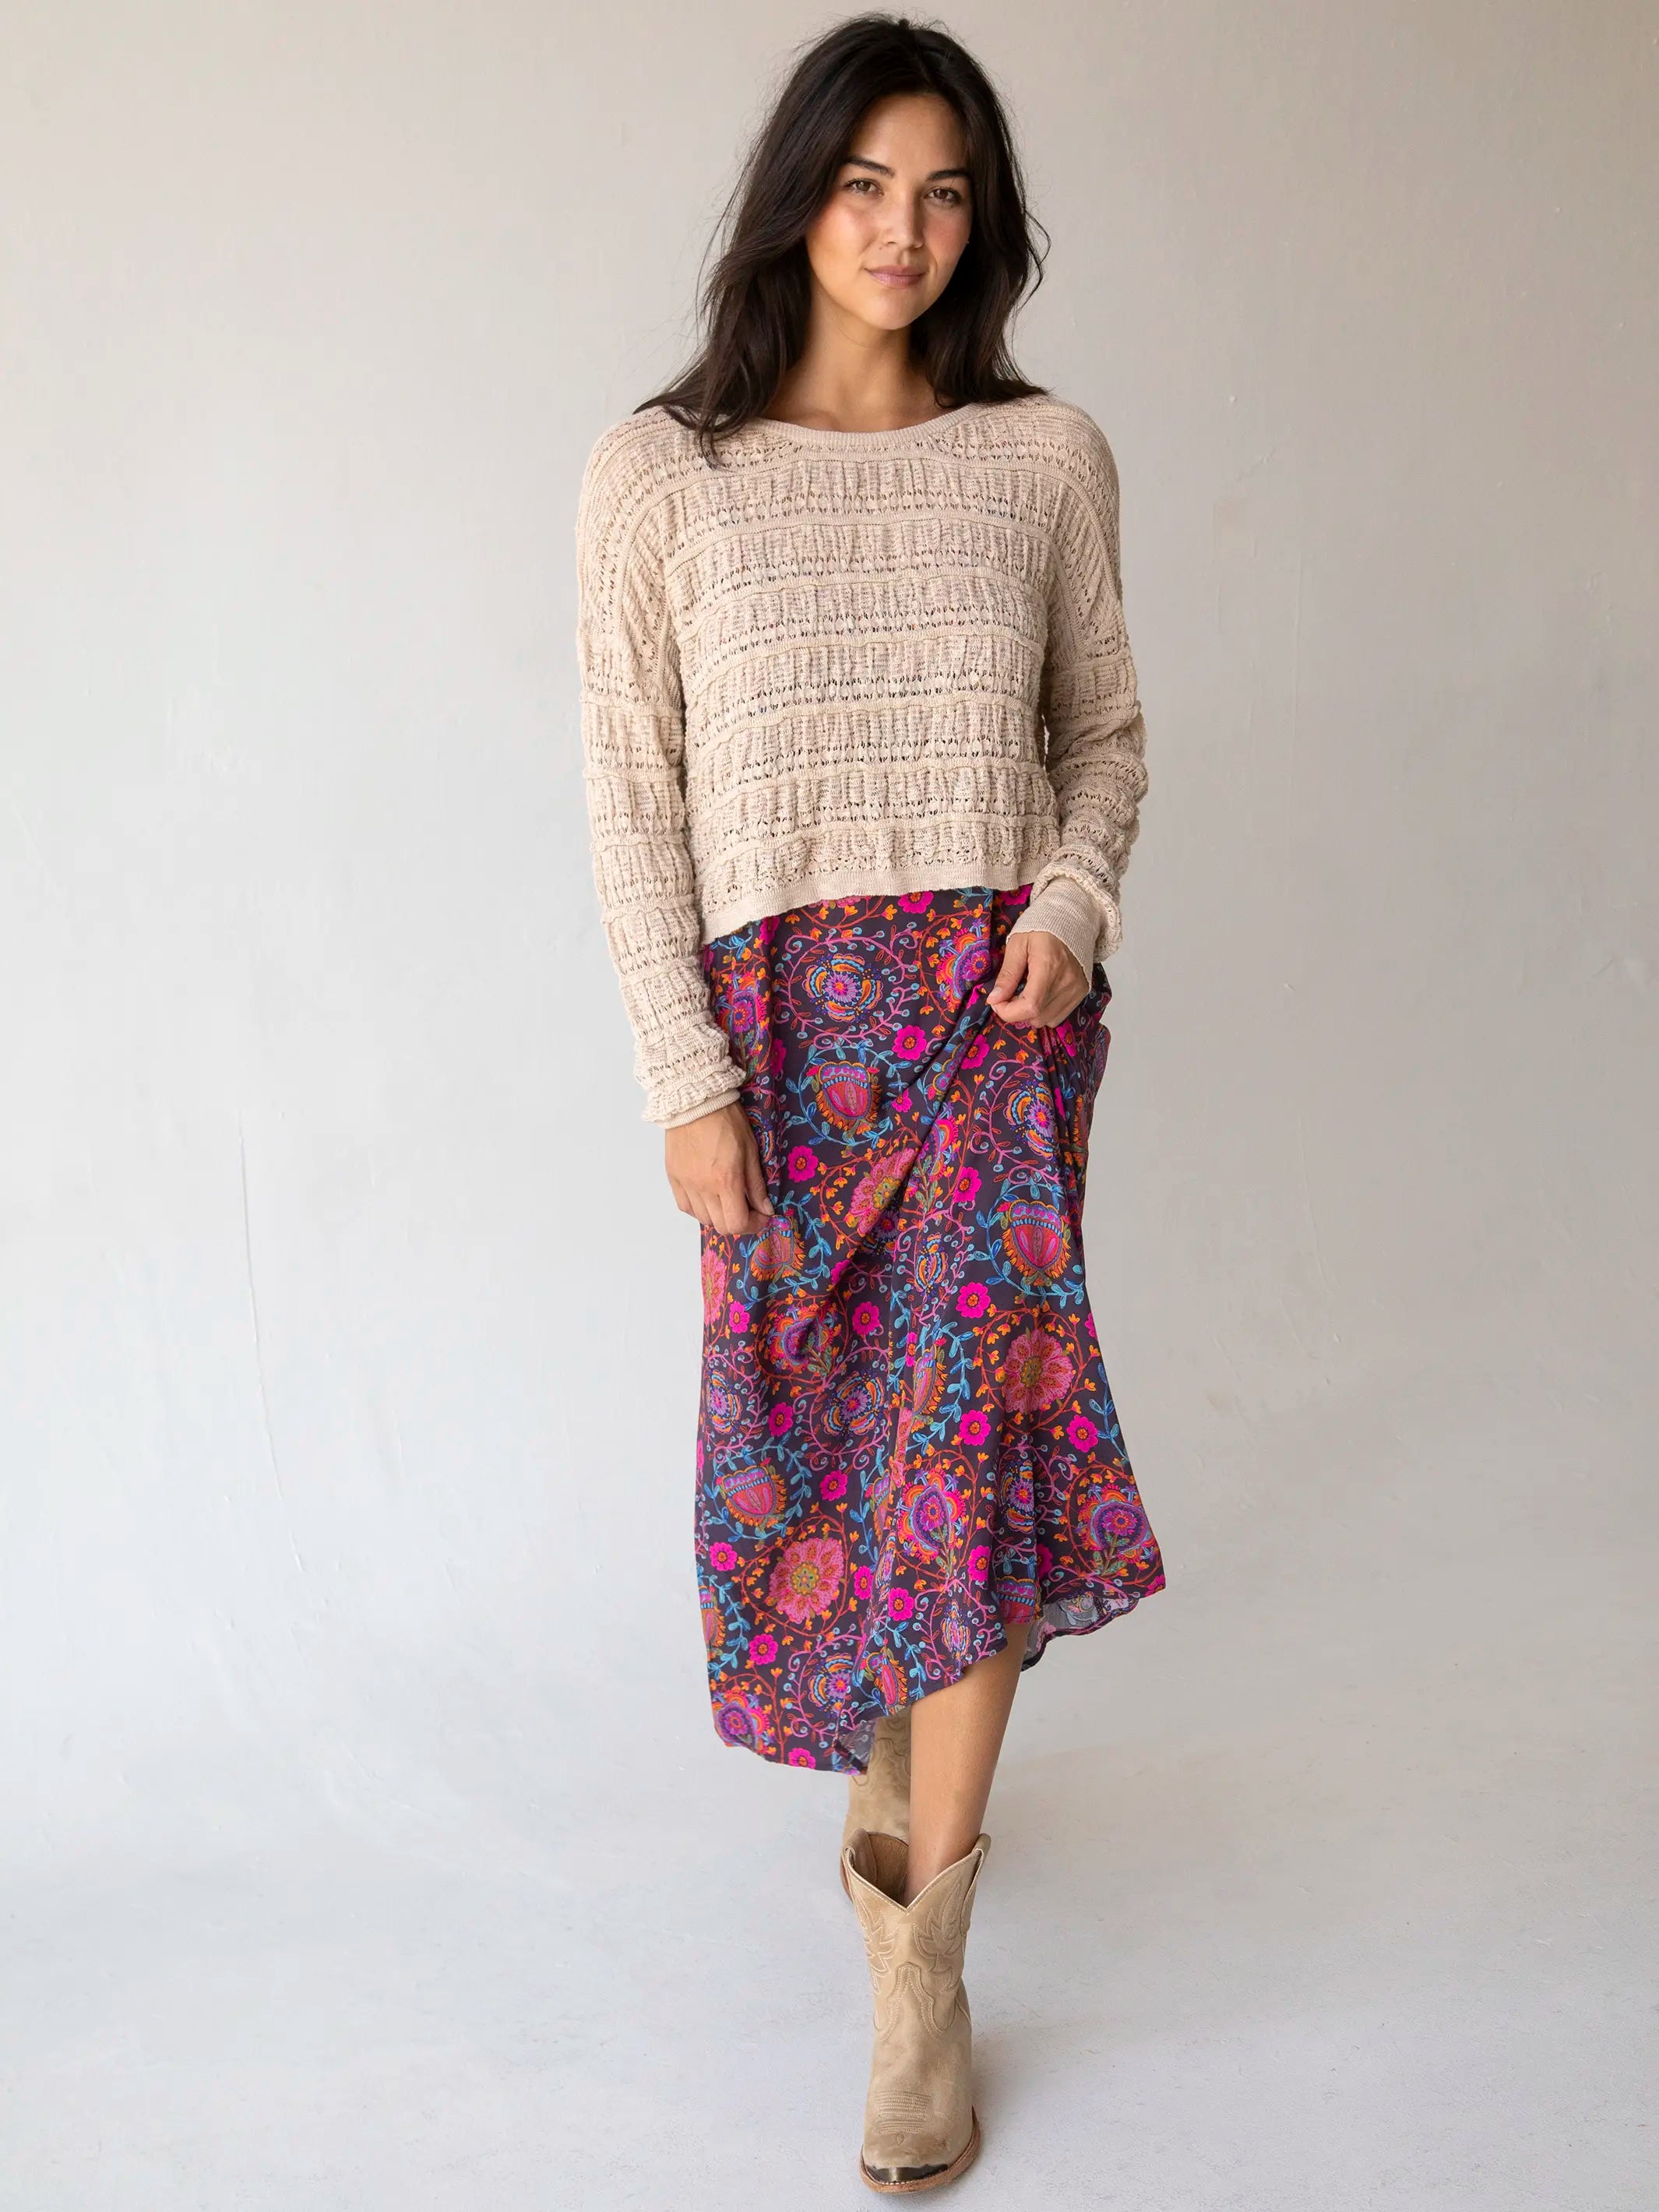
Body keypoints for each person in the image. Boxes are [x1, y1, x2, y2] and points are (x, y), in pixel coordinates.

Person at [574, 13, 1166, 2193]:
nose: (902, 230)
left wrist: (1073, 908)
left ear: (979, 225)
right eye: (862, 185)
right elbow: (628, 801)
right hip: (780, 1030)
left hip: (993, 1012)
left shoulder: (1043, 457)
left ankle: (920, 1970)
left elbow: (1103, 737)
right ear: (795, 198)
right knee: (822, 1458)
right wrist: (683, 1075)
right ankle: (897, 1763)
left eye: (942, 194)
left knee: (982, 1450)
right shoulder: (661, 474)